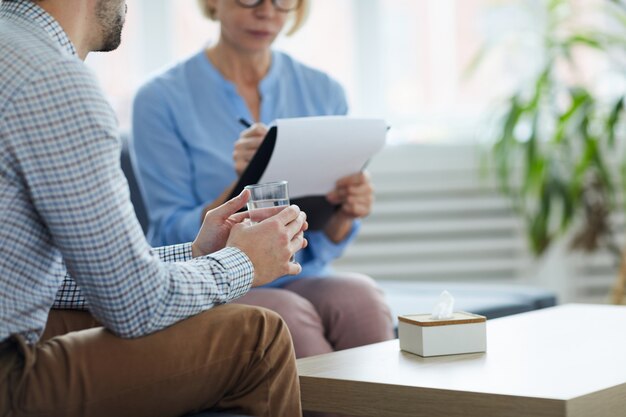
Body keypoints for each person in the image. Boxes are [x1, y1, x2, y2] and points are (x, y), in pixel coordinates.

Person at [0, 0, 307, 416]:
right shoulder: (53, 81)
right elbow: (133, 305)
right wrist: (242, 263)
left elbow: (41, 279)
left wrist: (199, 254)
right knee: (258, 334)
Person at [132, 0, 395, 360]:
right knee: (285, 316)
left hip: (301, 271)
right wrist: (245, 181)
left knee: (361, 299)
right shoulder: (160, 99)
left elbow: (326, 240)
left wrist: (348, 210)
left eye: (283, 1)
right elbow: (168, 235)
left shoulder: (324, 90)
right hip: (213, 279)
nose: (267, 12)